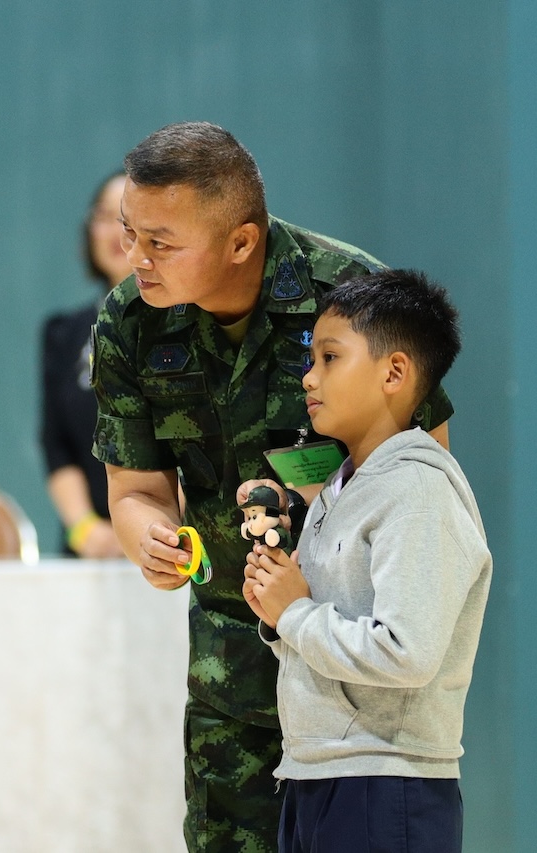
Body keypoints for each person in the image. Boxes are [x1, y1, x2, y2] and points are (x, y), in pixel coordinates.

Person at [90, 122, 454, 852]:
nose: (136, 258)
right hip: (230, 671)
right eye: (130, 233)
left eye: (160, 242)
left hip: (352, 683)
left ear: (241, 242)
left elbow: (423, 480)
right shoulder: (130, 322)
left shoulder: (352, 301)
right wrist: (149, 539)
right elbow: (134, 488)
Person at [243, 270, 492, 853]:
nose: (309, 377)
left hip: (386, 781)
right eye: (311, 359)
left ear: (394, 373)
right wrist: (276, 607)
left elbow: (406, 652)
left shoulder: (417, 490)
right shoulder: (342, 487)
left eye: (330, 358)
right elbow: (321, 628)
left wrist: (295, 614)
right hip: (316, 771)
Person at [39, 171, 129, 558]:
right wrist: (85, 529)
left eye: (128, 219)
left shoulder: (193, 326)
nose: (115, 231)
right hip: (91, 551)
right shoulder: (64, 333)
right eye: (104, 216)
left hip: (177, 546)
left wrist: (149, 529)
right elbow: (56, 443)